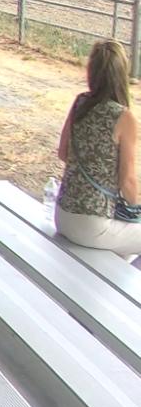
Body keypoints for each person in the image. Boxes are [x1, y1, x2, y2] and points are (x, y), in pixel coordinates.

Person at [55, 40, 141, 256]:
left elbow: (63, 153)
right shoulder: (124, 117)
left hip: (63, 216)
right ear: (122, 74)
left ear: (91, 71)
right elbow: (127, 182)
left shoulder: (79, 103)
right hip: (93, 225)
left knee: (124, 242)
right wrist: (135, 208)